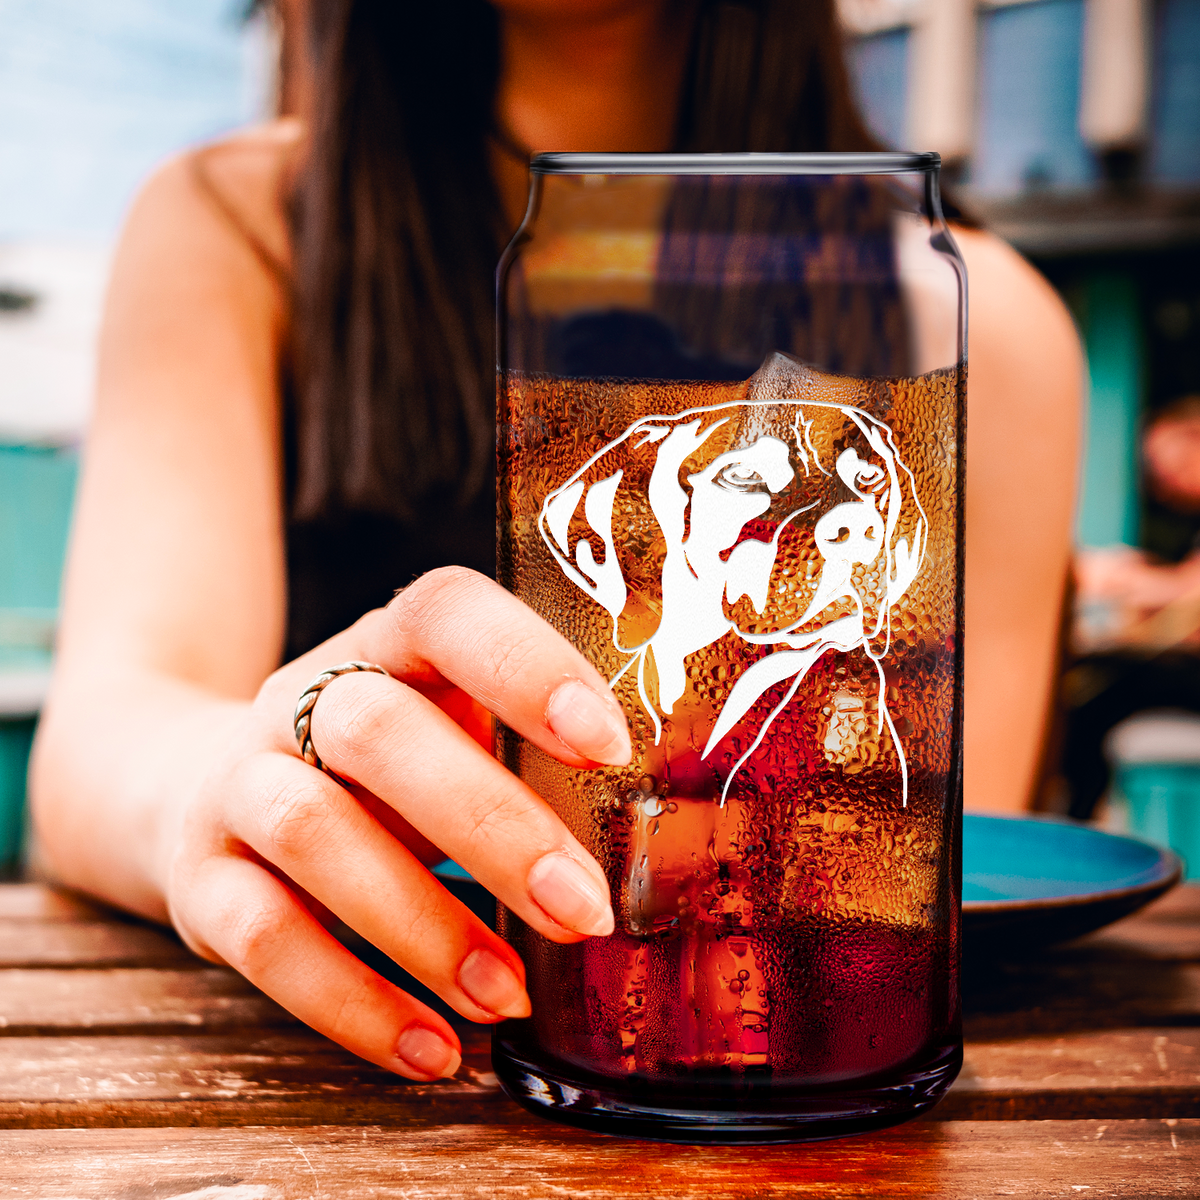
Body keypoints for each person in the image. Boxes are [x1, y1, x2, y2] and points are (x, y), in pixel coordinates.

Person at [29, 0, 1082, 1082]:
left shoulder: (979, 325)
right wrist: (233, 785)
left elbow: (920, 890)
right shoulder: (237, 225)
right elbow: (110, 729)